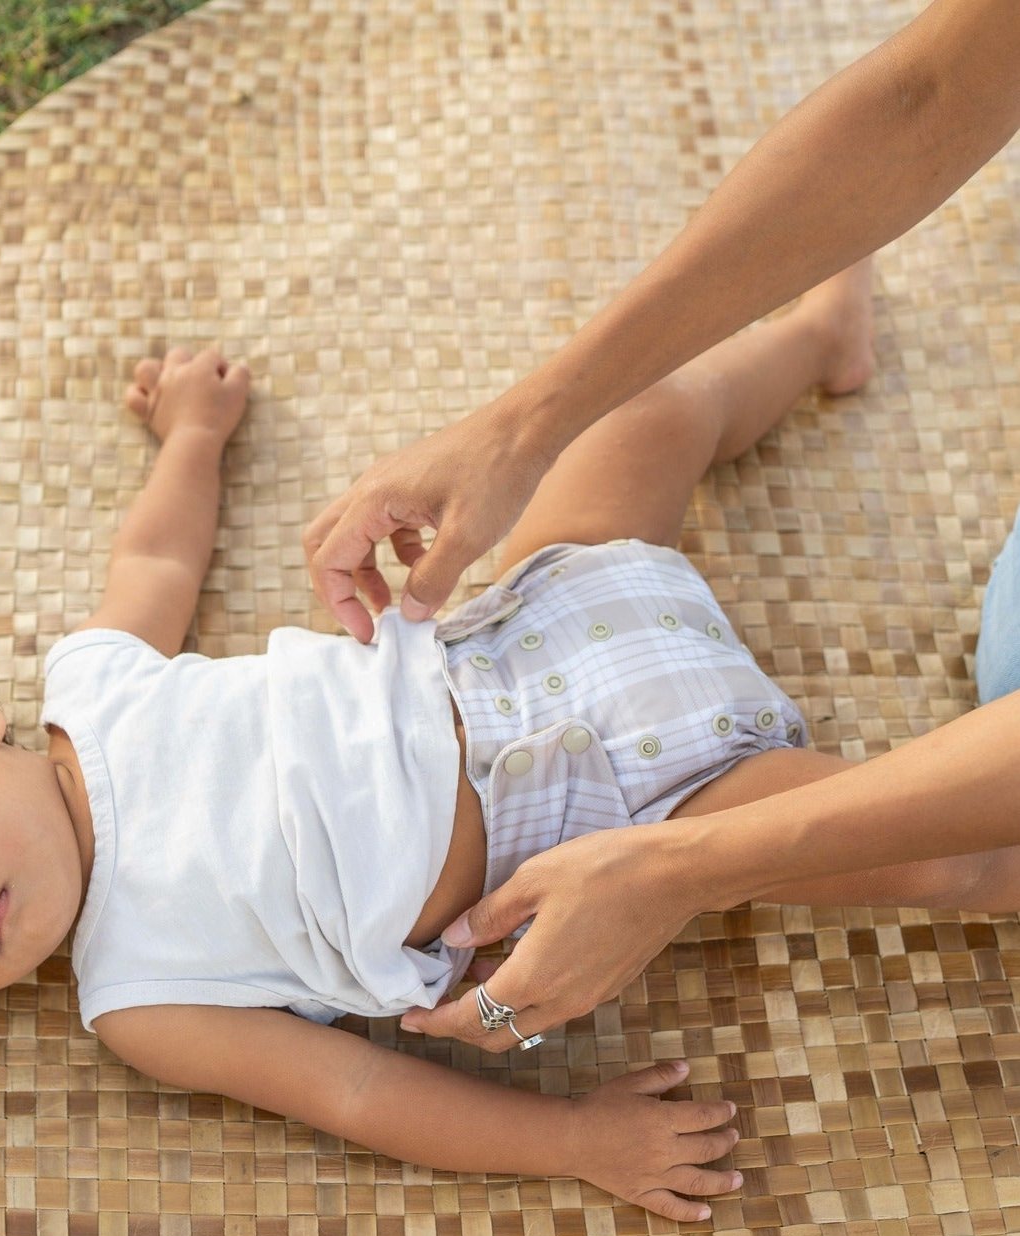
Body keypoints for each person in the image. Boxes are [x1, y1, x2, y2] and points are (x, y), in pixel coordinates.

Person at [0, 294, 1020, 1225]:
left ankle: (808, 335)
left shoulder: (95, 686)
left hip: (512, 625)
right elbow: (357, 1091)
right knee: (941, 849)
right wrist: (570, 1145)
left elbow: (154, 556)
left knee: (643, 425)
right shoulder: (141, 999)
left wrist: (193, 436)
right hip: (620, 816)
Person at [303, 0, 1020, 1050]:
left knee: (956, 847)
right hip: (528, 634)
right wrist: (521, 428)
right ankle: (821, 332)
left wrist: (686, 864)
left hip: (648, 795)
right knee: (644, 418)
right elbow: (927, 94)